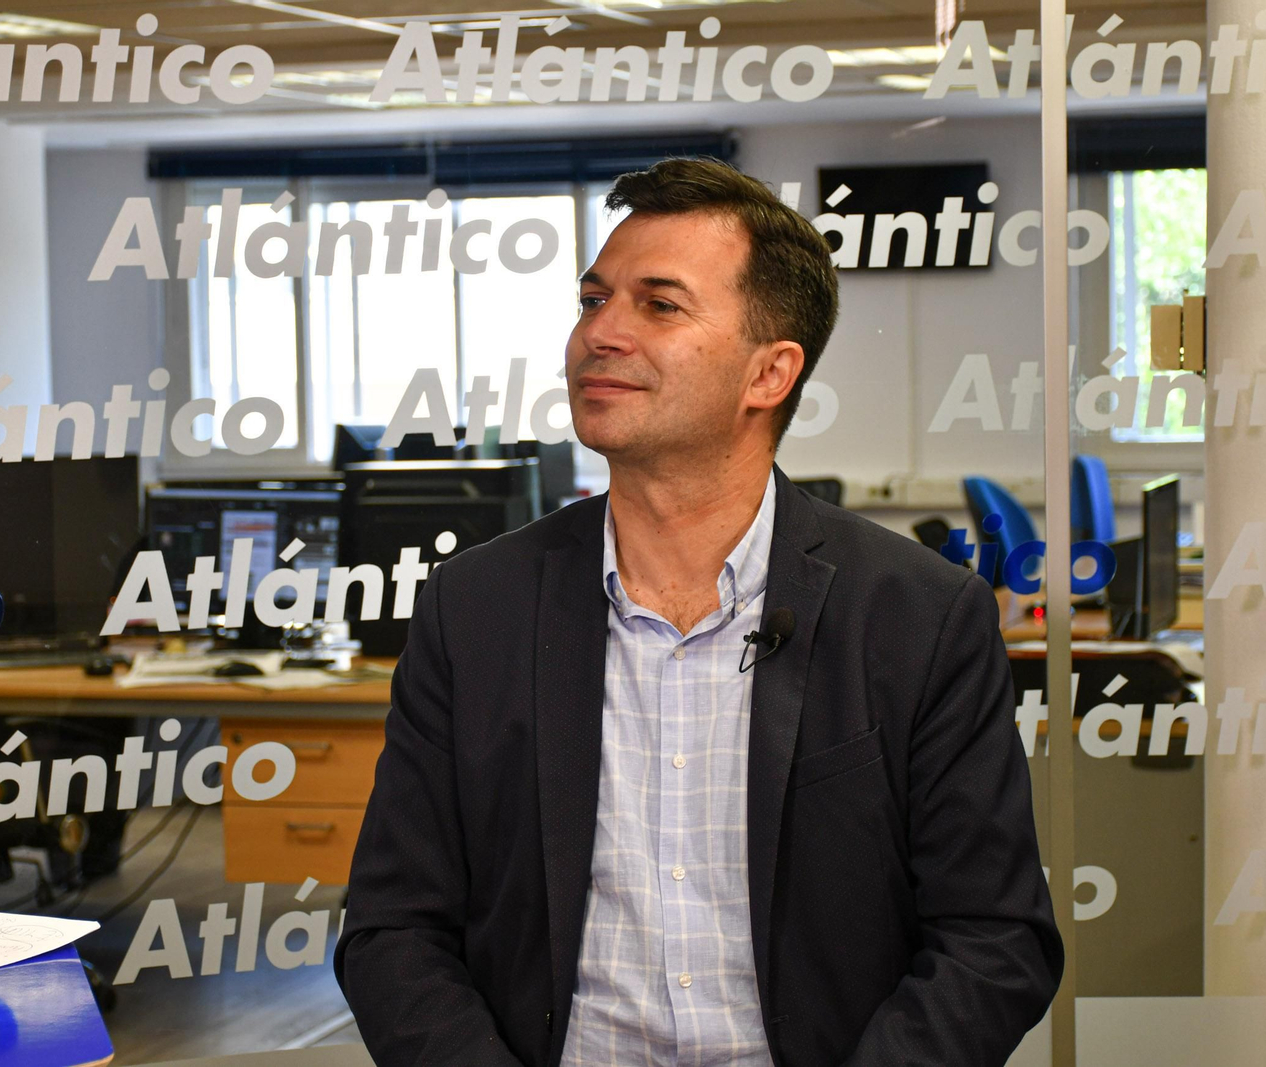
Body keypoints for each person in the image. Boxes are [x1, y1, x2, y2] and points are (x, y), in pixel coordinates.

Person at [335, 157, 1062, 1067]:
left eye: (659, 305)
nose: (601, 332)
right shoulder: (475, 609)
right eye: (593, 299)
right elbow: (393, 928)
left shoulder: (917, 615)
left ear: (770, 372)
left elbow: (994, 939)